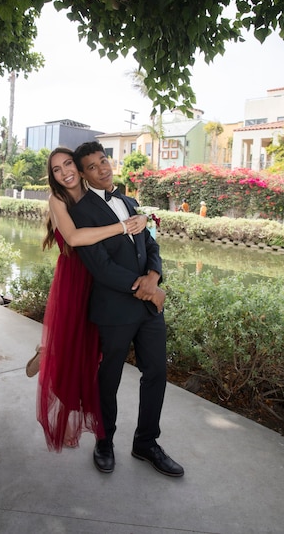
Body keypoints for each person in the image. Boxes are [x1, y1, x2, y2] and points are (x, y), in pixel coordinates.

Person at [70, 141, 184, 478]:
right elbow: (100, 267)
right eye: (92, 166)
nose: (102, 169)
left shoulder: (129, 201)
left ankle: (146, 443)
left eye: (103, 161)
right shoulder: (82, 212)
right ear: (83, 174)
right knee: (109, 378)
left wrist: (154, 276)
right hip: (115, 311)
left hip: (148, 310)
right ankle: (104, 441)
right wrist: (147, 291)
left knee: (156, 374)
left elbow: (151, 242)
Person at [33, 147, 147, 452]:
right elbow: (73, 238)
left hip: (101, 279)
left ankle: (49, 349)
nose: (65, 172)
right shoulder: (58, 199)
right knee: (74, 347)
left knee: (95, 350)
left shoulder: (95, 191)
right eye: (57, 169)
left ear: (79, 168)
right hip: (75, 279)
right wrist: (124, 227)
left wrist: (139, 219)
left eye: (68, 164)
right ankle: (52, 362)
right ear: (53, 176)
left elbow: (125, 210)